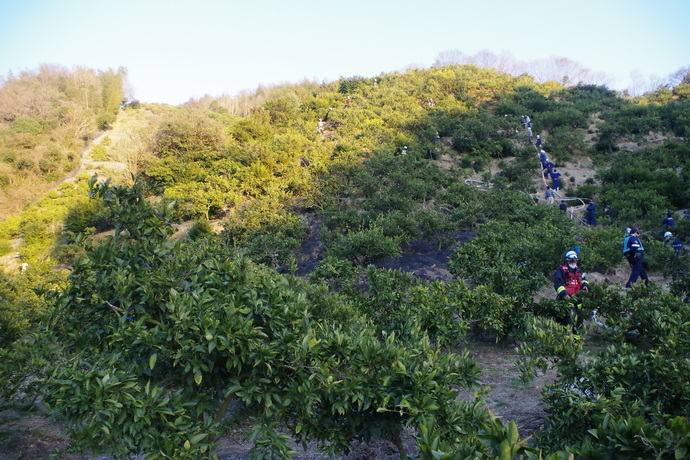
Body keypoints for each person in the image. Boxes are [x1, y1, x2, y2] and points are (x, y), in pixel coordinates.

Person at [554, 250, 589, 331]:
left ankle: (577, 339)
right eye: (571, 262)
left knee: (579, 318)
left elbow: (583, 279)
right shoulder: (561, 270)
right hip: (566, 298)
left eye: (574, 262)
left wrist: (585, 285)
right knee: (569, 317)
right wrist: (564, 294)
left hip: (578, 298)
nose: (573, 264)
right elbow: (558, 284)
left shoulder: (578, 270)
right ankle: (567, 337)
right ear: (567, 260)